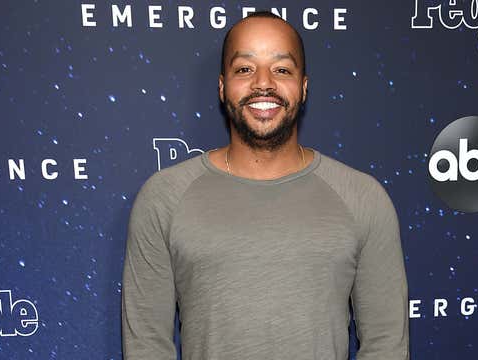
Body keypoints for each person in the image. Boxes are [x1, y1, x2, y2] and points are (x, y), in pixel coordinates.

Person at [122, 11, 409, 360]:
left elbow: (386, 345)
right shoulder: (163, 198)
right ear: (222, 85)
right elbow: (146, 346)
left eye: (282, 69)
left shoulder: (362, 198)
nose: (263, 83)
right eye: (244, 68)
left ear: (303, 87)